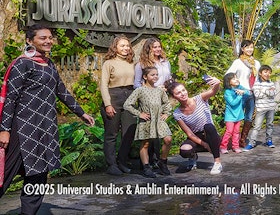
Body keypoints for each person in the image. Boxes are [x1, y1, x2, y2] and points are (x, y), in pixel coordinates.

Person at [0, 26, 96, 215]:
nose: (48, 41)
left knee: (38, 174)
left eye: (50, 38)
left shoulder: (49, 64)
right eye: (43, 38)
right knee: (6, 173)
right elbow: (11, 98)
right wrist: (4, 129)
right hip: (23, 128)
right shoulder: (23, 64)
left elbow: (61, 91)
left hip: (45, 128)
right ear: (29, 41)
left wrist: (81, 113)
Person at [123, 66, 173, 177]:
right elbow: (127, 104)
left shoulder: (160, 90)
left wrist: (166, 113)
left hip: (159, 120)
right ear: (145, 76)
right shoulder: (140, 90)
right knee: (145, 143)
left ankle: (162, 162)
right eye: (152, 74)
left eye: (156, 74)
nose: (155, 76)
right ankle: (146, 167)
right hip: (147, 120)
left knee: (168, 139)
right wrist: (139, 114)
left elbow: (166, 103)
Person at [167, 75, 224, 175]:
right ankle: (192, 157)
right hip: (196, 137)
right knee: (185, 150)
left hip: (210, 134)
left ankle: (217, 162)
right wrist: (205, 145)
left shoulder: (199, 99)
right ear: (174, 96)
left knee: (209, 127)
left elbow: (213, 91)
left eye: (183, 90)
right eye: (178, 93)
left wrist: (217, 83)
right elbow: (189, 134)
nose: (182, 94)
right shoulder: (177, 113)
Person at [100, 34, 137, 176]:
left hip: (130, 97)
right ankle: (111, 165)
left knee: (129, 132)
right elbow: (103, 85)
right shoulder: (108, 63)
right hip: (113, 97)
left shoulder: (133, 63)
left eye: (127, 45)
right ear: (115, 48)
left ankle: (122, 161)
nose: (126, 48)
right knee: (111, 134)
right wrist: (108, 104)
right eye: (122, 45)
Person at [226, 39, 260, 147]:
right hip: (240, 93)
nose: (250, 49)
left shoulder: (256, 63)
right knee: (237, 117)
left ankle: (243, 139)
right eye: (247, 47)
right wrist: (233, 89)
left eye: (251, 47)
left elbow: (258, 78)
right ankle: (231, 140)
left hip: (251, 93)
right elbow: (228, 75)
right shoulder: (238, 62)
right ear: (242, 49)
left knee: (249, 117)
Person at [246, 64, 277, 149]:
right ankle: (251, 143)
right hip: (261, 108)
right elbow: (257, 95)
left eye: (269, 73)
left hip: (271, 107)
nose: (267, 74)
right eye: (265, 72)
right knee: (257, 126)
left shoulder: (271, 83)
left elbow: (273, 94)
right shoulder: (256, 84)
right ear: (260, 73)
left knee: (270, 125)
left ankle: (269, 141)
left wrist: (263, 91)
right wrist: (267, 91)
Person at [220, 72, 246, 153]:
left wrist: (243, 92)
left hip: (239, 115)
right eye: (234, 78)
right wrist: (240, 95)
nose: (236, 79)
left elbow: (248, 92)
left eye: (236, 78)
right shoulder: (227, 92)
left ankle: (236, 146)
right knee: (229, 131)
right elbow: (232, 103)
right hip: (230, 116)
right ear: (228, 81)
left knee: (237, 132)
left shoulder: (239, 87)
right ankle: (223, 146)